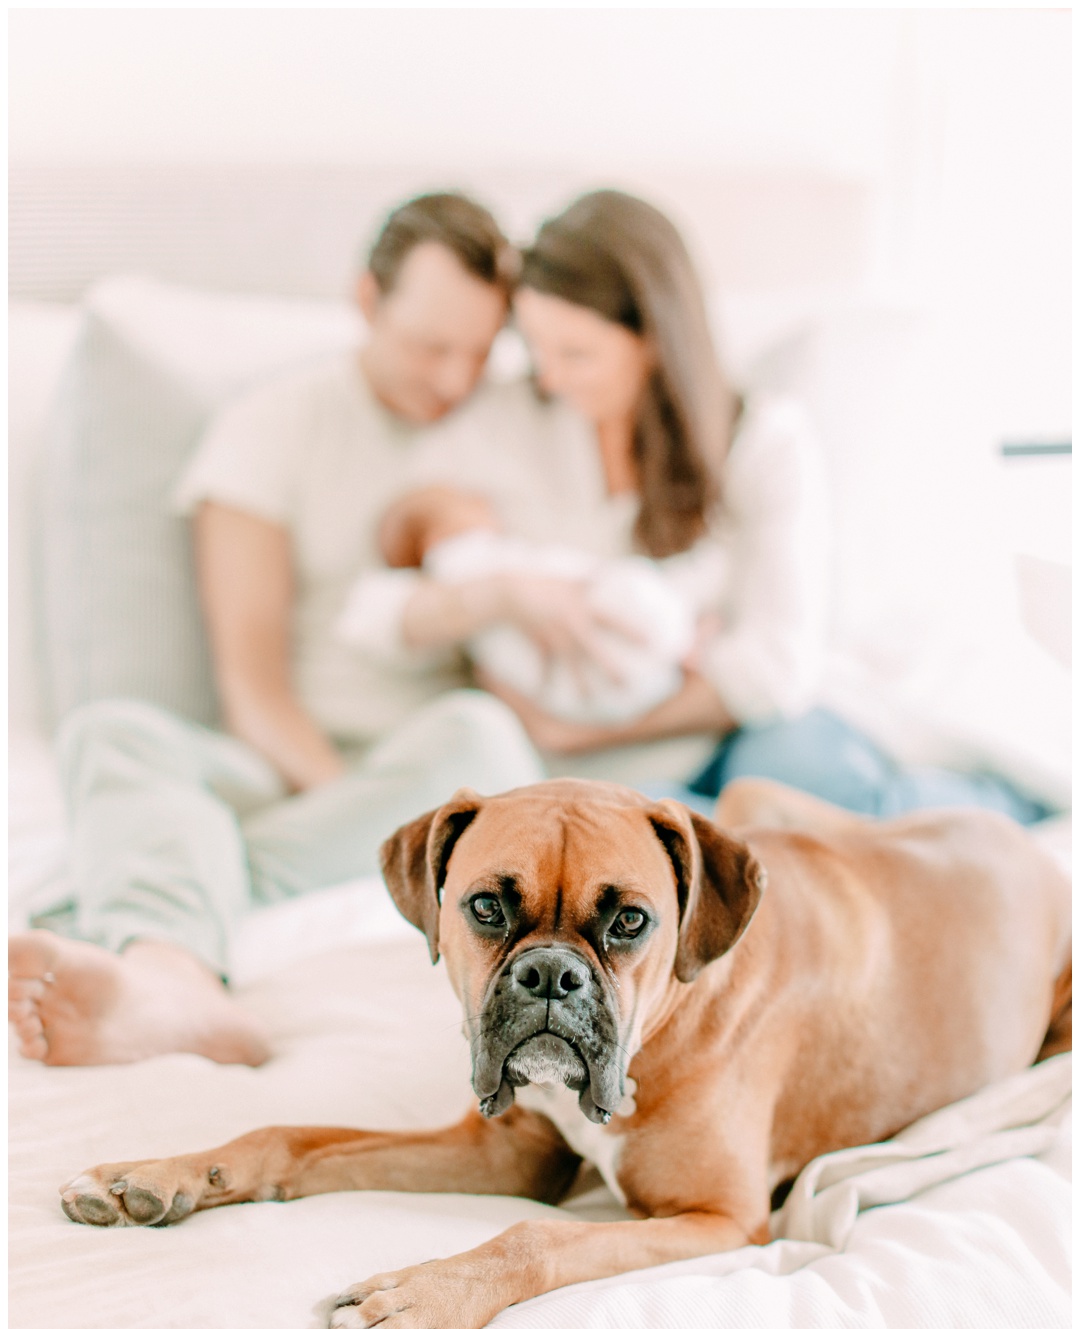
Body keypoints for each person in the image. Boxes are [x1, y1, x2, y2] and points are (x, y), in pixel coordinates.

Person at [8, 192, 551, 1069]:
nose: (455, 379)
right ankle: (176, 984)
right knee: (110, 734)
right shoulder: (270, 431)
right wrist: (346, 809)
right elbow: (253, 690)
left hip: (435, 772)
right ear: (367, 302)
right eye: (431, 347)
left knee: (485, 740)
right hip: (283, 752)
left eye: (481, 352)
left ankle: (157, 912)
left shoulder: (513, 427)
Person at [382, 189, 1050, 822]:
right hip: (612, 755)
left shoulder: (761, 440)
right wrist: (507, 593)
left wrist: (584, 731)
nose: (551, 377)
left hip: (739, 731)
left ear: (652, 340)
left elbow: (776, 670)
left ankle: (995, 808)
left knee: (793, 794)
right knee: (611, 829)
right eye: (536, 350)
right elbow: (404, 557)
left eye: (577, 354)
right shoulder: (513, 420)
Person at [337, 484, 695, 724]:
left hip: (582, 698)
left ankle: (671, 651)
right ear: (435, 537)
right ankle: (678, 641)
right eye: (465, 503)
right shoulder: (465, 560)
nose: (483, 503)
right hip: (579, 663)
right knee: (629, 594)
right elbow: (364, 621)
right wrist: (511, 592)